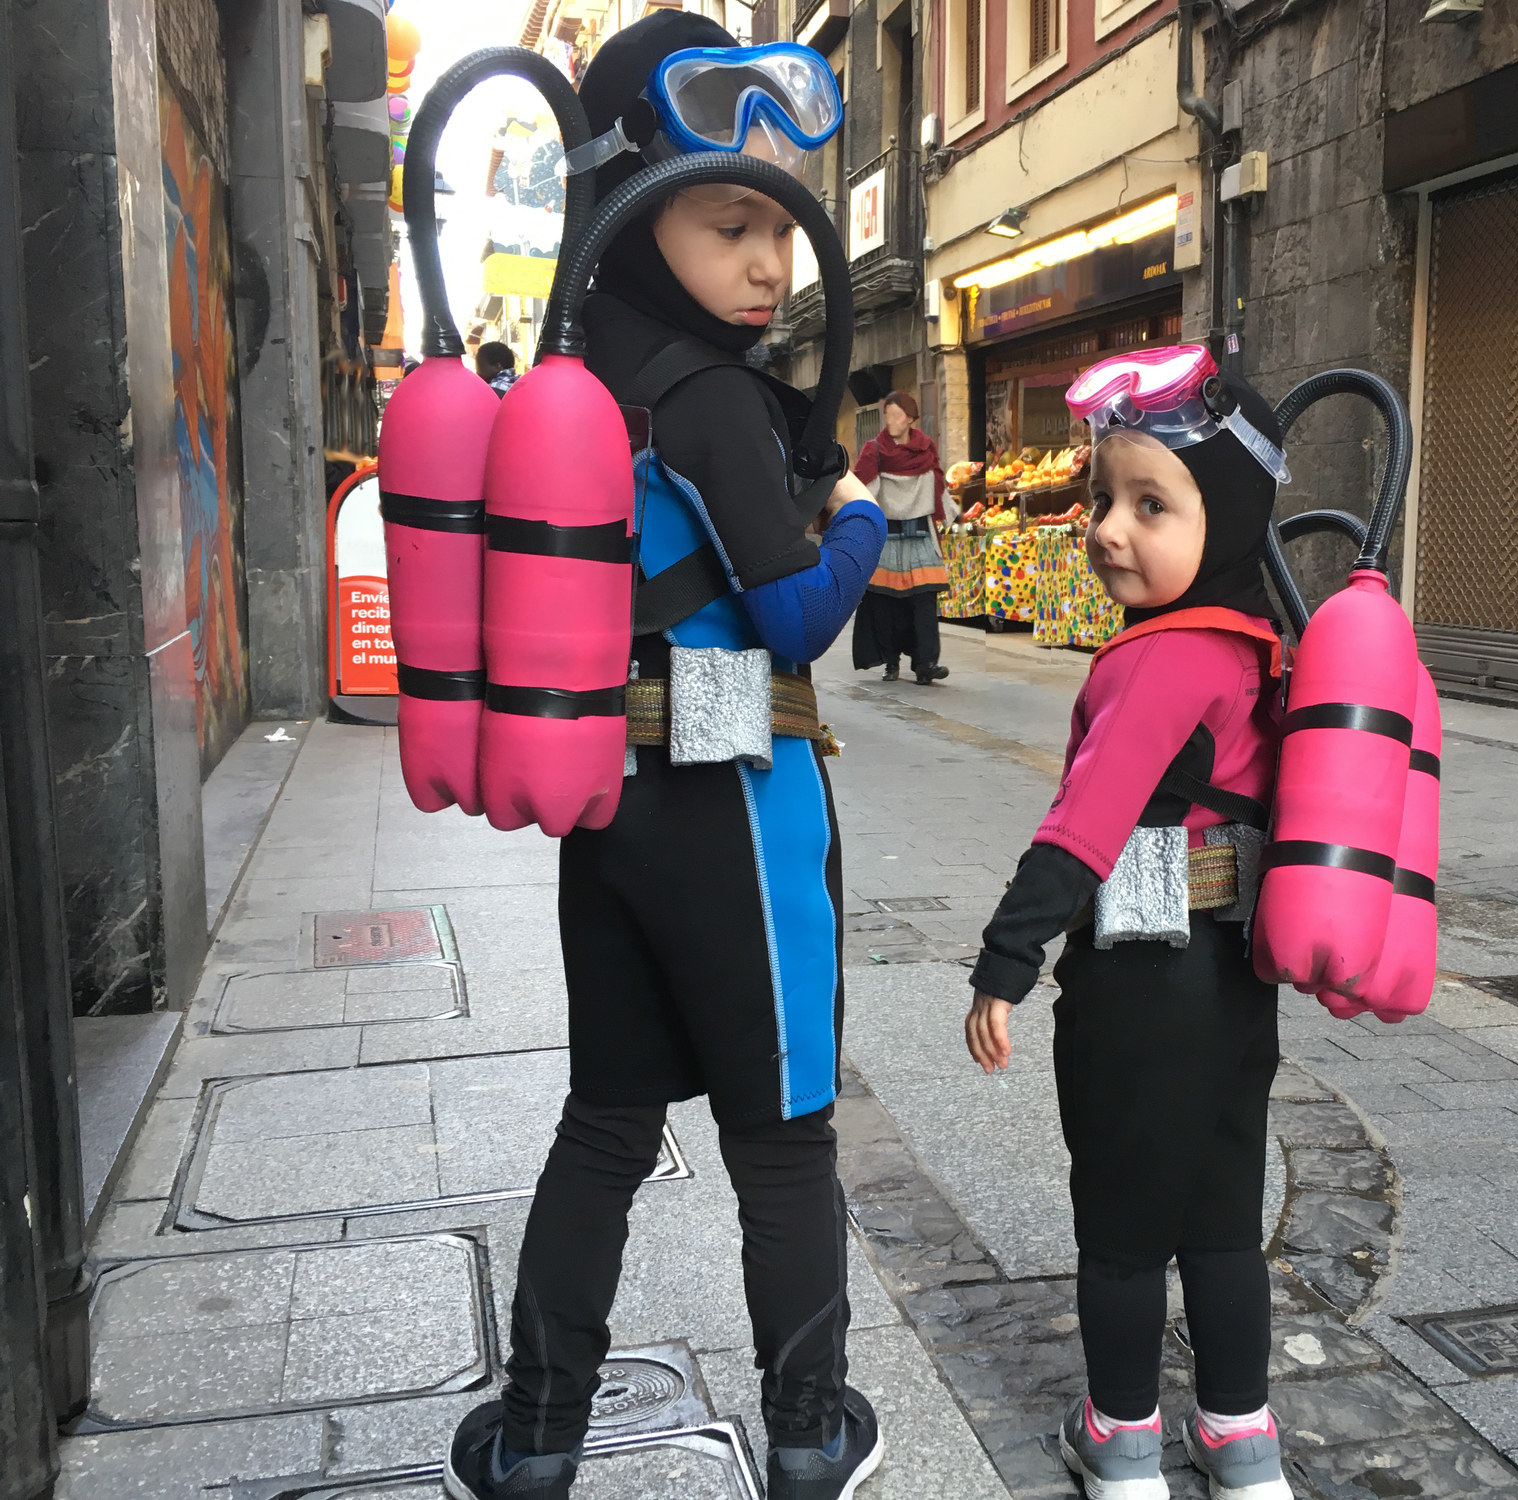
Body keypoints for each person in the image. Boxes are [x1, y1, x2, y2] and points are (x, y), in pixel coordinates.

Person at [443, 15, 887, 1500]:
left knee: (608, 1124)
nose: (771, 264)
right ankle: (814, 1431)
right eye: (733, 223)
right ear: (636, 209)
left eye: (777, 227)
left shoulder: (587, 373)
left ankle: (540, 1429)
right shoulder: (705, 393)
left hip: (611, 804)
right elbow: (791, 619)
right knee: (784, 1138)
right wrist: (869, 529)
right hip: (734, 809)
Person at [963, 347, 1296, 1500]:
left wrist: (1004, 962)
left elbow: (1083, 828)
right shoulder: (1257, 650)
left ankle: (1119, 1440)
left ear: (1232, 515)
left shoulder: (1157, 664)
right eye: (1105, 499)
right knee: (1218, 1217)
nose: (1109, 528)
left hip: (1137, 983)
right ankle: (1239, 1437)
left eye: (1150, 505)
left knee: (1118, 1227)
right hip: (1231, 979)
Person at [848, 392, 949, 684]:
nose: (891, 421)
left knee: (924, 602)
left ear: (910, 418)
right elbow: (861, 489)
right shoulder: (874, 450)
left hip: (919, 536)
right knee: (885, 604)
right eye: (887, 415)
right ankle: (890, 662)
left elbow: (937, 488)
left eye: (897, 415)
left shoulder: (926, 450)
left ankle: (925, 663)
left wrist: (947, 515)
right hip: (888, 537)